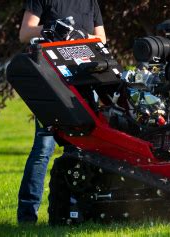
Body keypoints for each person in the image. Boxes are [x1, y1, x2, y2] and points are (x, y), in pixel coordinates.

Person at [17, 0, 106, 223]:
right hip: (52, 80)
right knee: (43, 148)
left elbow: (101, 39)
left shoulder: (90, 2)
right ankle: (27, 216)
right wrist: (52, 28)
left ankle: (78, 212)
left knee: (85, 148)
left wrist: (79, 37)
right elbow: (25, 33)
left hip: (85, 80)